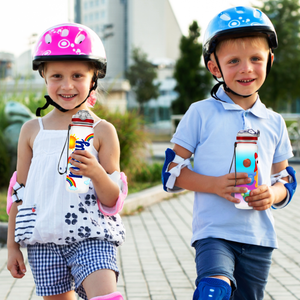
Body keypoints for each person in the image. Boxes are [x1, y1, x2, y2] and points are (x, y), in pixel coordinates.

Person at [161, 6, 297, 300]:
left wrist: (272, 195)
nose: (246, 68)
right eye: (233, 61)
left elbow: (285, 179)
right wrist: (215, 184)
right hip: (214, 233)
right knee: (214, 290)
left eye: (256, 59)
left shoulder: (274, 122)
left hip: (259, 237)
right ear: (215, 67)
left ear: (269, 61)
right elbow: (171, 173)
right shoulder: (200, 113)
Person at [6, 23, 127, 300]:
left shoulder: (103, 131)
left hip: (92, 236)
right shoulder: (31, 130)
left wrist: (96, 172)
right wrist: (13, 246)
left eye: (77, 75)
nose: (67, 85)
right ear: (44, 77)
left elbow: (113, 200)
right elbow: (19, 191)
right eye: (57, 76)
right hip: (43, 240)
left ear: (93, 78)